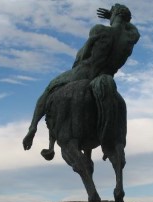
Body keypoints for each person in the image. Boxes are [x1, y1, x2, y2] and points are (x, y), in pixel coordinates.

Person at [23, 4, 140, 152]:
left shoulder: (99, 30)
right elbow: (134, 30)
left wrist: (112, 16)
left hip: (85, 73)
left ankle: (32, 128)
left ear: (115, 15)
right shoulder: (130, 38)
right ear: (127, 20)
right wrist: (119, 17)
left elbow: (83, 55)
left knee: (48, 90)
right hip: (106, 75)